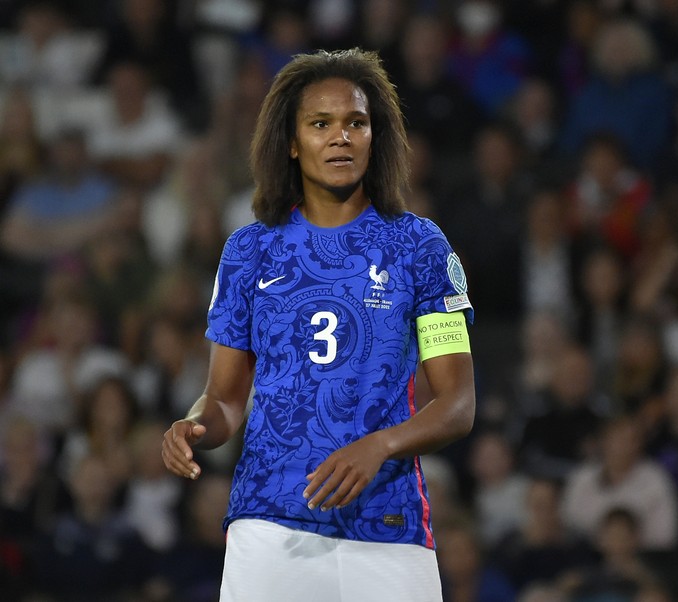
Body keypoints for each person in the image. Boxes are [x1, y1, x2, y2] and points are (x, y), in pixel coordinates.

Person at [161, 48, 476, 602]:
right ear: (290, 141)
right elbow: (226, 400)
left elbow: (457, 405)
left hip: (388, 524)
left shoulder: (420, 247)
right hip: (269, 523)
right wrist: (193, 428)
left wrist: (380, 445)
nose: (341, 137)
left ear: (375, 137)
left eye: (356, 122)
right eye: (321, 123)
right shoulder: (248, 251)